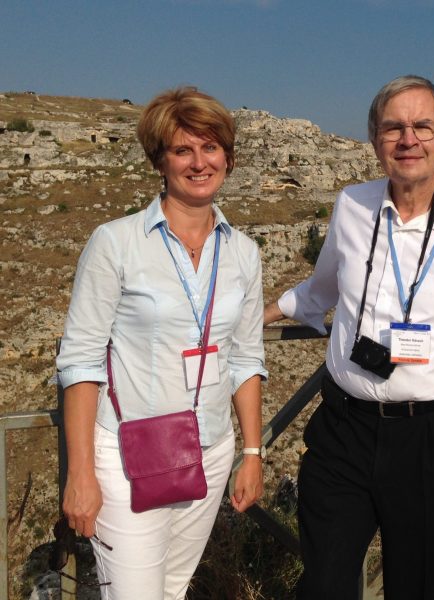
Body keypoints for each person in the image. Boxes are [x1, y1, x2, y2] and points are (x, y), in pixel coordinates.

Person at [264, 75, 434, 599]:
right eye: (393, 128)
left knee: (418, 586)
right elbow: (321, 289)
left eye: (422, 126)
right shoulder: (352, 207)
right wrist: (263, 315)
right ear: (375, 140)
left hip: (432, 436)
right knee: (324, 582)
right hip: (344, 427)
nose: (408, 139)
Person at [57, 86, 267, 599]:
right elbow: (81, 361)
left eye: (210, 147)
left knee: (172, 591)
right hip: (130, 453)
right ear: (160, 161)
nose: (199, 162)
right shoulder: (117, 241)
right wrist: (80, 472)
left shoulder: (243, 252)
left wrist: (253, 452)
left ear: (228, 157)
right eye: (182, 150)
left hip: (210, 449)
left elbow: (245, 358)